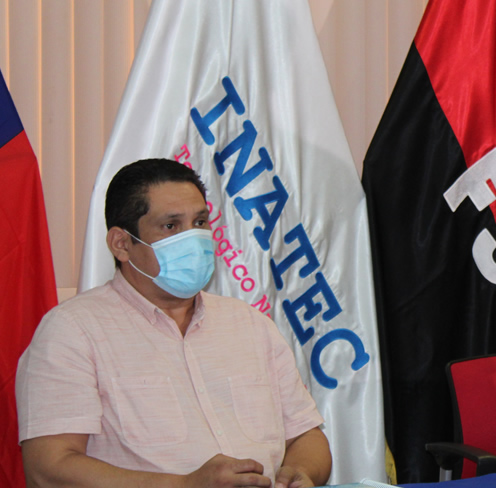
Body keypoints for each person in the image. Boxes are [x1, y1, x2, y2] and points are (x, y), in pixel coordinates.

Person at [17, 159, 331, 488]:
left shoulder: (250, 324)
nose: (193, 239)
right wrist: (184, 485)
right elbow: (48, 467)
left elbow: (306, 437)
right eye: (171, 226)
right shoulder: (72, 331)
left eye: (199, 222)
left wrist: (302, 472)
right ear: (122, 244)